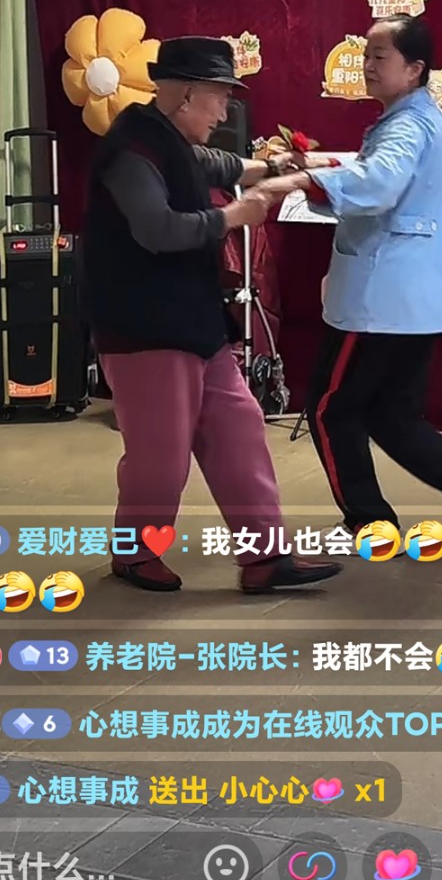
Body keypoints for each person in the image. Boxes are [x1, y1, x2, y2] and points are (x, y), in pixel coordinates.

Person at [83, 36, 342, 595]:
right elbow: (157, 229)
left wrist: (277, 166)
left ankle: (265, 557)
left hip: (195, 321)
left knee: (239, 428)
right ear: (186, 94)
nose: (225, 112)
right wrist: (232, 217)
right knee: (161, 454)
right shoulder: (132, 150)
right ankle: (134, 553)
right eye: (219, 98)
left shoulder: (173, 143)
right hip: (144, 327)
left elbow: (222, 165)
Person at [266, 16, 442, 552]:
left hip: (377, 301)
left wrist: (302, 178)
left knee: (330, 409)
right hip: (410, 301)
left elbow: (378, 182)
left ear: (414, 68)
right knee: (391, 415)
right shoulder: (418, 119)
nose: (367, 66)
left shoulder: (407, 125)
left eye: (379, 56)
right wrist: (314, 165)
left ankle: (367, 523)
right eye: (366, 55)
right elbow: (377, 170)